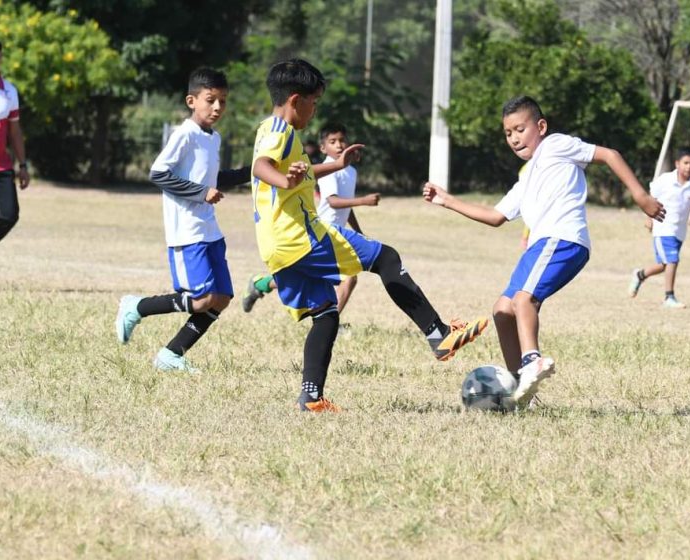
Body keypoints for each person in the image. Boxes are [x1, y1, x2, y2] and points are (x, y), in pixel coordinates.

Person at [251, 58, 487, 412]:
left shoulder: (268, 129)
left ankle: (310, 398)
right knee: (386, 257)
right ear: (296, 100)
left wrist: (337, 164)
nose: (315, 110)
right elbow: (262, 167)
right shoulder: (280, 134)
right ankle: (439, 335)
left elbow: (292, 169)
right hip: (300, 236)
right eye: (314, 102)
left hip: (275, 245)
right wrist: (286, 181)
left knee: (326, 313)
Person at [423, 95, 665, 406]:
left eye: (519, 129)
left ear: (541, 126)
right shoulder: (525, 179)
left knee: (524, 300)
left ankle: (531, 361)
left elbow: (610, 154)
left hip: (562, 239)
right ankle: (520, 391)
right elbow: (496, 217)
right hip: (539, 247)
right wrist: (446, 200)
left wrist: (640, 196)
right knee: (502, 310)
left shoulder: (556, 145)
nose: (513, 138)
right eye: (508, 133)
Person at [115, 67, 250, 373]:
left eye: (223, 101)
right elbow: (159, 173)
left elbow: (216, 178)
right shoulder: (185, 134)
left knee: (222, 298)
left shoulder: (213, 138)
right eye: (210, 99)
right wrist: (201, 193)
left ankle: (171, 355)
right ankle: (136, 306)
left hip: (210, 230)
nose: (217, 107)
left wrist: (253, 171)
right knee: (201, 300)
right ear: (192, 100)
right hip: (187, 232)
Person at [241, 122, 381, 321]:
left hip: (337, 233)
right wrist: (363, 201)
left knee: (303, 278)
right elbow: (333, 202)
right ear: (323, 148)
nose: (339, 145)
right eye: (333, 142)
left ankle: (260, 284)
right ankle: (333, 322)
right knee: (349, 278)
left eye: (342, 140)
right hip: (320, 231)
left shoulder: (350, 171)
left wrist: (359, 231)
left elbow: (345, 208)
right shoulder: (327, 171)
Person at [628, 146, 690, 308]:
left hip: (679, 232)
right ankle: (669, 297)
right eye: (685, 163)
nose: (689, 167)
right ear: (677, 163)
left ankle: (640, 274)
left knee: (665, 265)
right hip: (663, 228)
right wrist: (649, 217)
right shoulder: (665, 180)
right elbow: (650, 198)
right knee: (672, 261)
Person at [0, 36, 30, 293]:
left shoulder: (9, 91)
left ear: (1, 57)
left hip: (0, 167)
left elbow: (15, 132)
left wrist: (23, 164)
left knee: (9, 215)